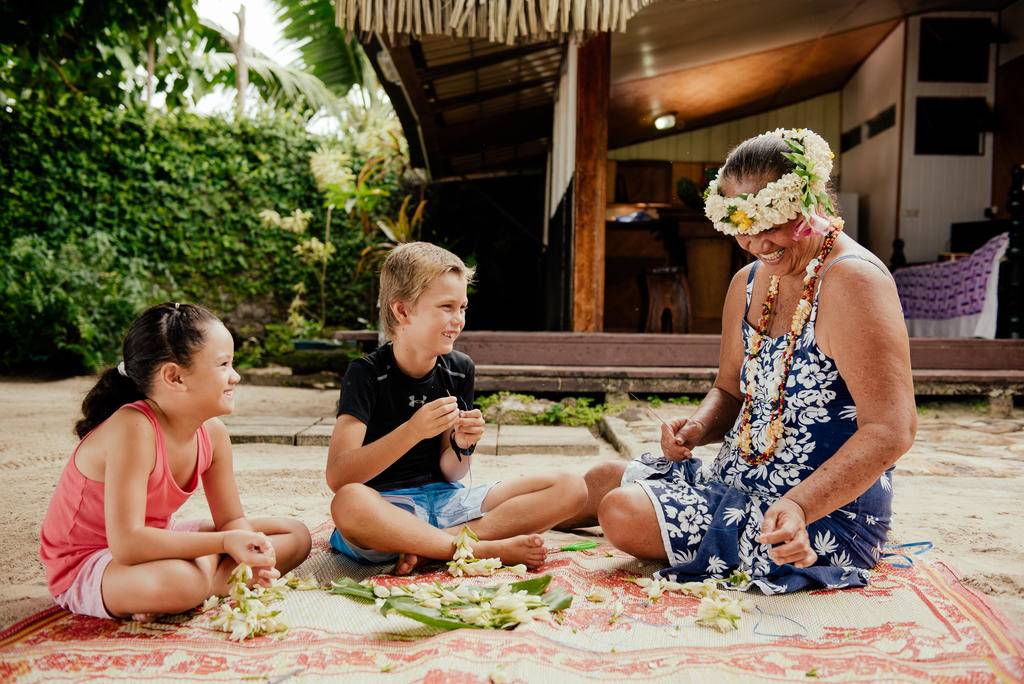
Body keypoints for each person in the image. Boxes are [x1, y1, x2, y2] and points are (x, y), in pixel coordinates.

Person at [560, 129, 917, 592]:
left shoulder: (853, 281)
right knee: (601, 479)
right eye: (741, 231)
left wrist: (801, 507)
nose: (755, 244)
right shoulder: (748, 282)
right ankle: (470, 524)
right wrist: (698, 428)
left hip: (811, 514)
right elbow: (729, 391)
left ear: (809, 202)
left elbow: (893, 429)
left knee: (620, 510)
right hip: (734, 480)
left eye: (769, 225)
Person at [327, 242, 587, 575]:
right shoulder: (366, 373)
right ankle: (473, 548)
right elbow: (339, 476)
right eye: (447, 307)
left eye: (462, 307)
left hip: (448, 503)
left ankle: (434, 546)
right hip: (389, 508)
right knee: (348, 503)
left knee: (571, 487)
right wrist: (413, 430)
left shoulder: (459, 368)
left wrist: (461, 445)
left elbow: (453, 473)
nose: (458, 320)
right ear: (402, 311)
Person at [40, 303, 312, 620]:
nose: (235, 376)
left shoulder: (213, 434)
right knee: (181, 580)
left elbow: (232, 522)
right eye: (224, 364)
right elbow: (127, 544)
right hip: (91, 561)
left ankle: (203, 582)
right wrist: (223, 543)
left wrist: (251, 554)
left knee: (294, 534)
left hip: (153, 543)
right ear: (175, 376)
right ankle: (205, 583)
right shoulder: (133, 427)